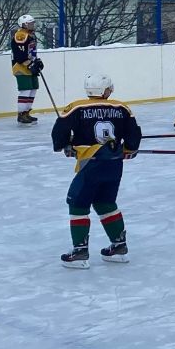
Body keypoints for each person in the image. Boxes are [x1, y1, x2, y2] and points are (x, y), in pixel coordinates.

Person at [50, 72, 142, 267]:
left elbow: (60, 129)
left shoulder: (76, 107)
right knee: (105, 202)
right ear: (105, 90)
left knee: (77, 203)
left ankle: (80, 251)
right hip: (114, 163)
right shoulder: (121, 107)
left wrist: (64, 145)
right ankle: (118, 247)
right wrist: (130, 149)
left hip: (91, 162)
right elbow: (134, 132)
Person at [10, 14, 42, 124]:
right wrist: (29, 64)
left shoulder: (30, 35)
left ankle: (27, 112)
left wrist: (36, 61)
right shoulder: (20, 35)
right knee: (26, 90)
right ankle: (21, 114)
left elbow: (30, 51)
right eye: (30, 23)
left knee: (33, 88)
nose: (33, 25)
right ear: (23, 24)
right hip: (21, 67)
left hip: (29, 66)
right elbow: (19, 55)